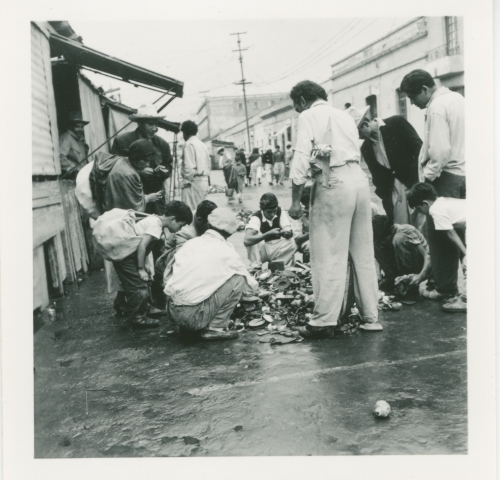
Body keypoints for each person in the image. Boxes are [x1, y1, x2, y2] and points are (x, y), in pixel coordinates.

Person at [288, 80, 382, 339]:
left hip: (333, 180)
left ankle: (324, 321)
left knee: (328, 252)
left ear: (304, 100)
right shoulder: (343, 115)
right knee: (363, 252)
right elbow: (337, 149)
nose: (298, 111)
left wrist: (295, 200)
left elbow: (302, 158)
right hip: (358, 180)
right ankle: (370, 317)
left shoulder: (309, 115)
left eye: (297, 106)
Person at [400, 69, 465, 300]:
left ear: (425, 90)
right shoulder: (458, 99)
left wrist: (427, 178)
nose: (413, 103)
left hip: (444, 176)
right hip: (464, 174)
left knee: (440, 236)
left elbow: (440, 151)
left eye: (413, 97)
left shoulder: (437, 107)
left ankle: (446, 288)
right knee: (464, 231)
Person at [165, 208, 258, 340]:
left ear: (208, 225)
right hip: (193, 316)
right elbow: (250, 288)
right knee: (239, 278)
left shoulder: (190, 243)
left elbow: (168, 274)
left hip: (172, 311)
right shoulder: (227, 250)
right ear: (230, 233)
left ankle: (189, 324)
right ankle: (215, 328)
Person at [99, 140, 165, 318]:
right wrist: (148, 199)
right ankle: (138, 309)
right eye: (144, 160)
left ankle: (126, 303)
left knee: (126, 273)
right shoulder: (128, 175)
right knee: (138, 271)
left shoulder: (122, 164)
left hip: (116, 226)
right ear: (136, 158)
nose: (146, 164)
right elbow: (133, 207)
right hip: (125, 229)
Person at [112, 201, 192, 328]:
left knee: (139, 283)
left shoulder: (154, 219)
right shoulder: (156, 225)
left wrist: (145, 267)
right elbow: (142, 246)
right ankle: (138, 317)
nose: (179, 229)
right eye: (180, 225)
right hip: (127, 257)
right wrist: (140, 268)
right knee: (138, 286)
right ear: (172, 219)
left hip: (127, 254)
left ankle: (144, 308)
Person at [407, 182, 466, 312]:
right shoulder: (442, 201)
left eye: (419, 208)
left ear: (425, 203)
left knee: (468, 264)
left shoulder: (435, 210)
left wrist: (465, 252)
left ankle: (466, 301)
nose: (421, 212)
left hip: (472, 224)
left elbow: (450, 233)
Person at [358, 114, 422, 224]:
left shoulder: (396, 122)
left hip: (414, 184)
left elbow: (419, 149)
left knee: (420, 224)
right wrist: (385, 195)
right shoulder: (365, 148)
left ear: (364, 125)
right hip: (393, 193)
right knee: (400, 228)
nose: (359, 137)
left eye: (358, 133)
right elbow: (376, 175)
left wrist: (416, 181)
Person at [111, 104, 172, 216]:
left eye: (156, 124)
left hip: (155, 199)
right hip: (130, 196)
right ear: (139, 123)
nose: (154, 129)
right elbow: (114, 167)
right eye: (150, 124)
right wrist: (139, 172)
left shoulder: (162, 144)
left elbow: (168, 167)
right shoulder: (122, 141)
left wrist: (159, 172)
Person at [372, 214, 431, 295]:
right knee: (377, 245)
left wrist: (421, 276)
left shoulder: (406, 230)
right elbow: (377, 256)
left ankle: (407, 283)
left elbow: (427, 256)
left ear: (391, 230)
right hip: (400, 263)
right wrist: (378, 275)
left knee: (399, 239)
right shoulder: (384, 235)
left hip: (420, 266)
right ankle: (394, 280)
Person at [244, 193, 297, 268]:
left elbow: (288, 229)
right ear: (262, 209)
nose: (272, 214)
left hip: (275, 248)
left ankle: (276, 264)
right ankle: (256, 265)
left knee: (293, 241)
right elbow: (246, 240)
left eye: (274, 211)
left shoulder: (280, 211)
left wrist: (287, 233)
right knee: (252, 237)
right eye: (269, 212)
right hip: (262, 250)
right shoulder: (256, 217)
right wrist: (268, 234)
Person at [180, 120, 211, 211]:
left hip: (194, 182)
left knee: (191, 209)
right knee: (199, 209)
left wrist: (185, 182)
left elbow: (189, 168)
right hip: (203, 181)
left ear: (184, 132)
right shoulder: (202, 144)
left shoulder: (189, 144)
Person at [59, 111, 90, 181]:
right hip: (72, 178)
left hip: (83, 177)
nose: (80, 129)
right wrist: (73, 169)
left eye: (82, 127)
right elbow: (60, 157)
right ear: (71, 127)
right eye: (77, 127)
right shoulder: (66, 138)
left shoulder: (80, 141)